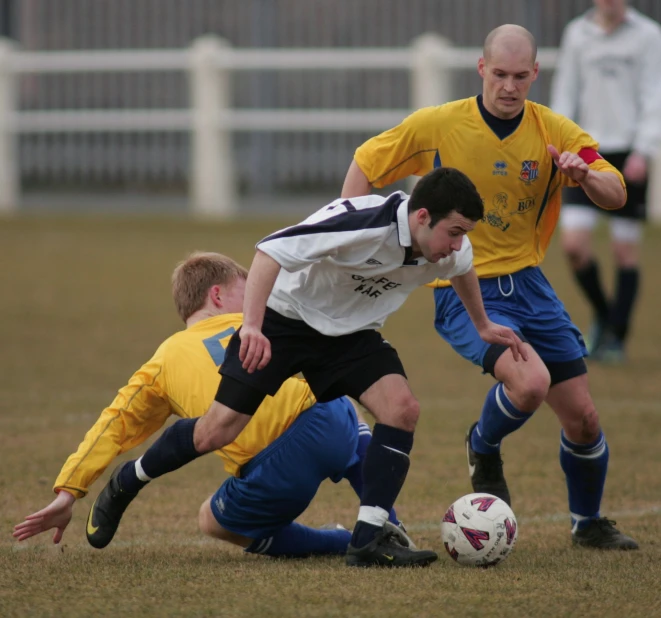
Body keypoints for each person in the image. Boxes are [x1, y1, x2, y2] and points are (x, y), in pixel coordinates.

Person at [79, 167, 527, 568]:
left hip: (351, 335)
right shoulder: (360, 221)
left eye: (464, 233)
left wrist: (484, 325)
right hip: (286, 321)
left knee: (402, 409)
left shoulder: (448, 248)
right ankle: (128, 480)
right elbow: (269, 252)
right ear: (422, 216)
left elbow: (463, 269)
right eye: (454, 231)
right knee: (216, 431)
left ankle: (368, 540)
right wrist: (252, 327)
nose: (457, 244)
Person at [341, 24, 639, 550]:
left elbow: (616, 192)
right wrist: (356, 241)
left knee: (585, 417)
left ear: (535, 75)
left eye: (520, 76)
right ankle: (483, 446)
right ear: (481, 69)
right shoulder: (440, 124)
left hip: (531, 285)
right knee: (529, 385)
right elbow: (366, 164)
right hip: (464, 285)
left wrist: (585, 174)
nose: (508, 86)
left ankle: (587, 523)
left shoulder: (553, 132)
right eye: (499, 74)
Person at [12, 252, 413, 558]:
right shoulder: (270, 323)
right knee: (335, 393)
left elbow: (113, 424)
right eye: (249, 286)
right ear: (217, 294)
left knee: (211, 519)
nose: (261, 296)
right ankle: (385, 524)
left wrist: (68, 492)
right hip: (333, 426)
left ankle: (340, 542)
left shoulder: (165, 358)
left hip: (276, 473)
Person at [550, 0, 661, 363]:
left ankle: (616, 337)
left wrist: (643, 151)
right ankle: (605, 317)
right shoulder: (577, 34)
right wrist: (561, 144)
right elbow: (565, 93)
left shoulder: (647, 36)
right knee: (574, 246)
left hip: (629, 154)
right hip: (585, 153)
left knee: (624, 250)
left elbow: (653, 97)